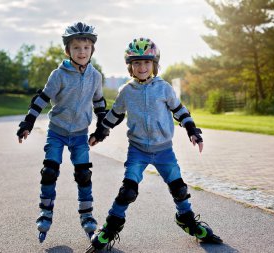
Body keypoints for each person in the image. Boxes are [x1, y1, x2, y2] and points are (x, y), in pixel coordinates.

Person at [86, 38, 222, 251]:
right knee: (127, 191)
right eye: (137, 63)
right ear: (130, 66)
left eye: (147, 63)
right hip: (137, 150)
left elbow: (179, 110)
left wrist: (192, 130)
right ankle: (109, 229)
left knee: (179, 189)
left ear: (154, 65)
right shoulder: (126, 91)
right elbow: (114, 115)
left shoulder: (163, 88)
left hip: (164, 150)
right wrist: (100, 133)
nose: (142, 67)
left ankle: (187, 221)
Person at [16, 22, 107, 242]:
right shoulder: (59, 74)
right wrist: (28, 122)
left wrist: (101, 128)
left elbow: (99, 103)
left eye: (86, 48)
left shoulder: (95, 76)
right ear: (68, 51)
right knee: (50, 171)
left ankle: (87, 216)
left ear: (92, 50)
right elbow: (42, 98)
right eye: (76, 48)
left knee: (84, 174)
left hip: (79, 133)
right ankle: (46, 212)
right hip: (57, 130)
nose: (82, 52)